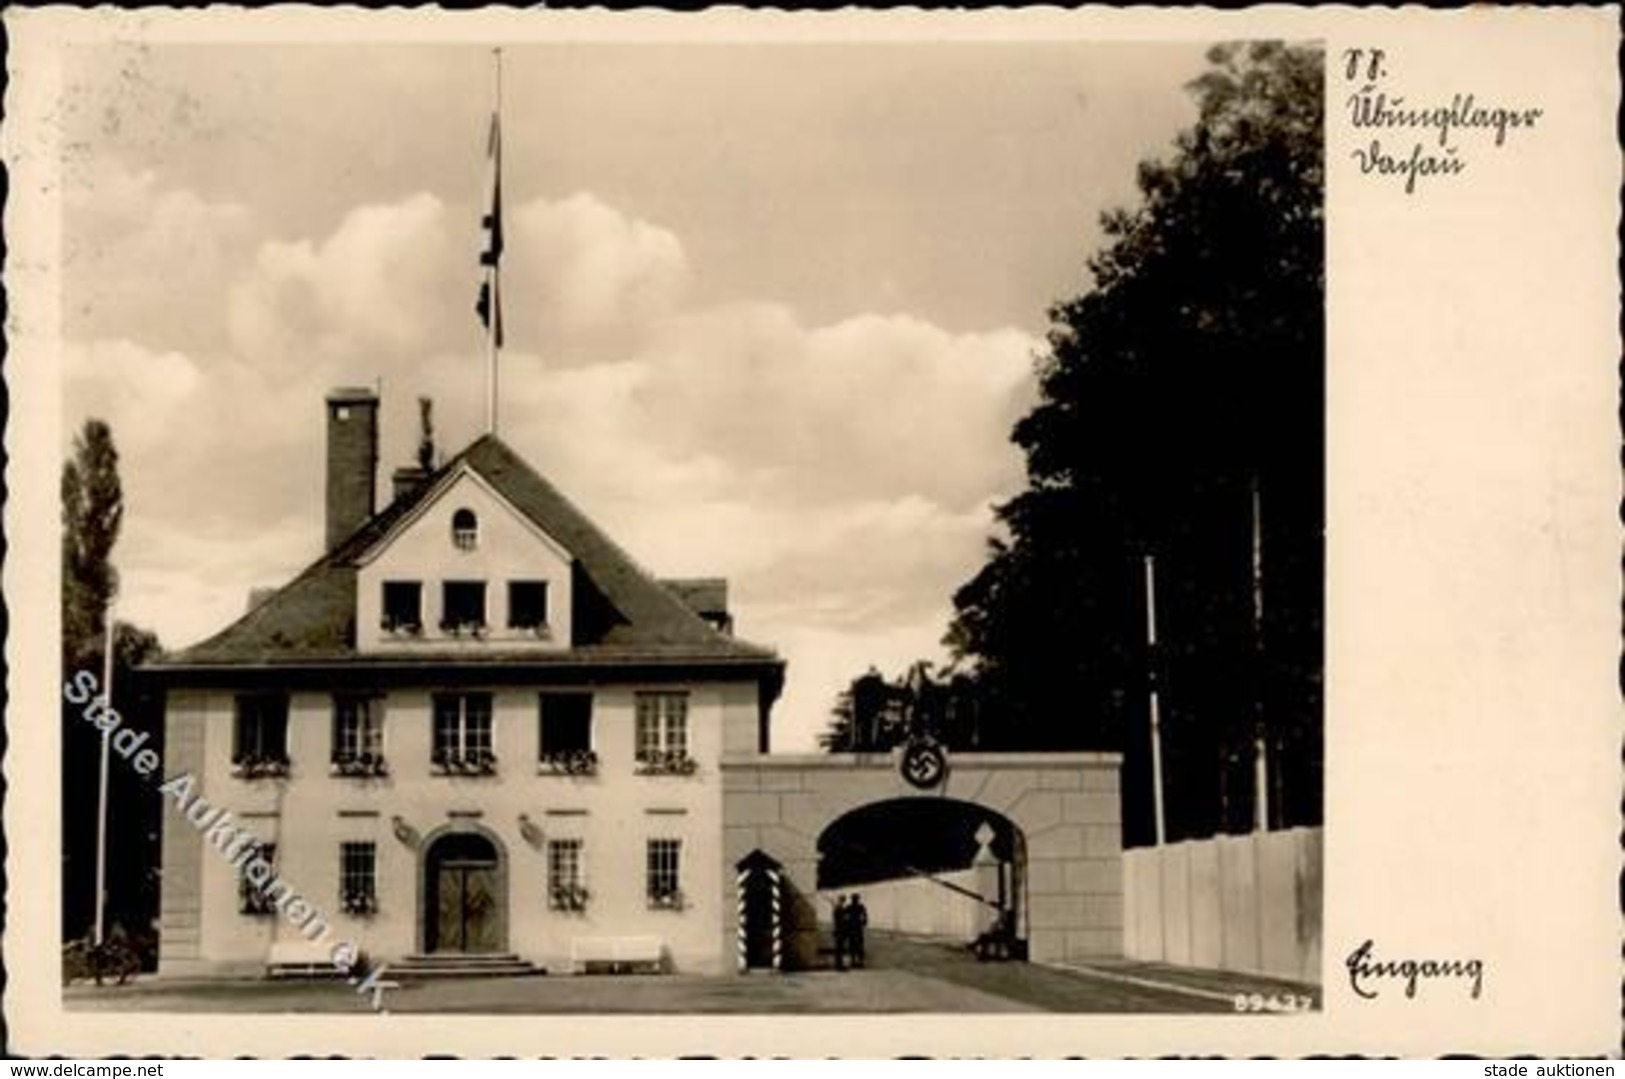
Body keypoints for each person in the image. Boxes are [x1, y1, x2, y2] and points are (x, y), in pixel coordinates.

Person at [849, 893, 869, 969]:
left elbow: (865, 916)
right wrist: (864, 922)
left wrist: (864, 922)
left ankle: (856, 961)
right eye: (855, 899)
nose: (855, 900)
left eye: (855, 899)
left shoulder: (851, 907)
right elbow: (865, 916)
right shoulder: (859, 907)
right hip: (856, 928)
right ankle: (857, 961)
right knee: (857, 945)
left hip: (854, 928)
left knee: (856, 945)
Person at [831, 895, 849, 971]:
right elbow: (839, 920)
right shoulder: (839, 908)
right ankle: (838, 966)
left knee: (839, 949)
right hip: (839, 930)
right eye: (843, 900)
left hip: (838, 930)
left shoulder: (838, 908)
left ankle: (839, 965)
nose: (843, 902)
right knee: (839, 949)